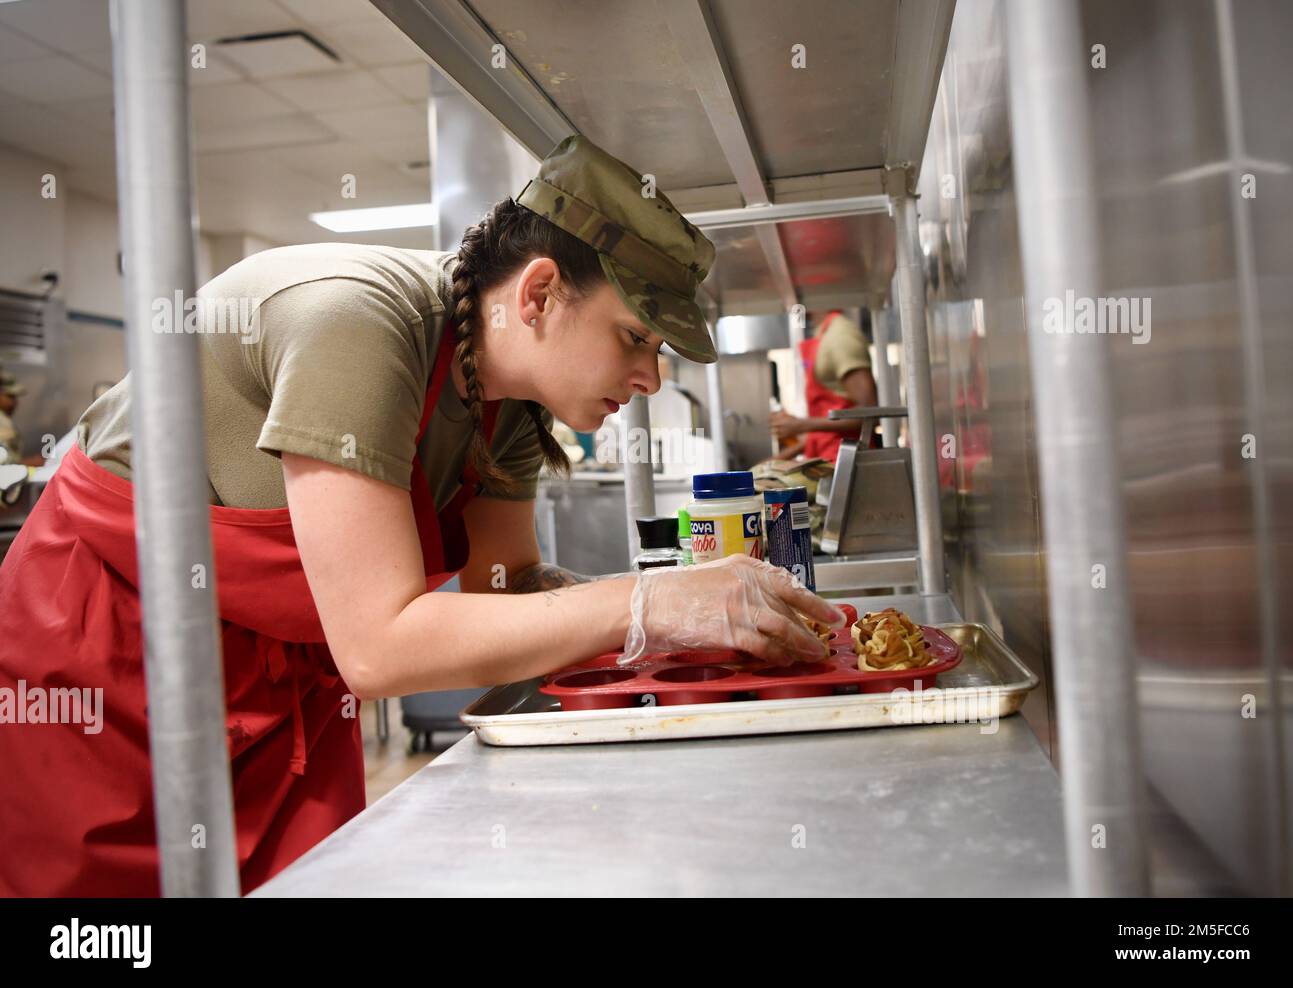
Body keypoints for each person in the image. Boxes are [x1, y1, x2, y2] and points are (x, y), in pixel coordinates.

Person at [0, 135, 843, 896]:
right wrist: (650, 603)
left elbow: (506, 596)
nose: (650, 379)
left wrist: (679, 621)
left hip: (275, 677)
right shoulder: (356, 325)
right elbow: (376, 648)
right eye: (634, 339)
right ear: (541, 293)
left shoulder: (511, 403)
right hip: (105, 658)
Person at [769, 309, 880, 461]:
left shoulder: (840, 337)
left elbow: (869, 413)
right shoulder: (824, 333)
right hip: (828, 457)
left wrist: (801, 424)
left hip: (848, 461)